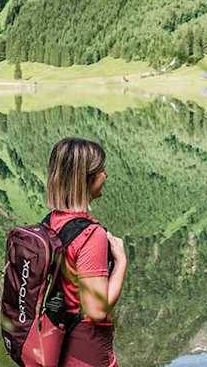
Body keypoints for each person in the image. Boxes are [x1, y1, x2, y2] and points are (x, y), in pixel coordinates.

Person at [45, 137, 128, 367]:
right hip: (85, 351)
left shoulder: (51, 222)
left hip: (53, 345)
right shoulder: (91, 235)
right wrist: (120, 262)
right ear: (87, 179)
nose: (106, 175)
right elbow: (96, 310)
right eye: (102, 170)